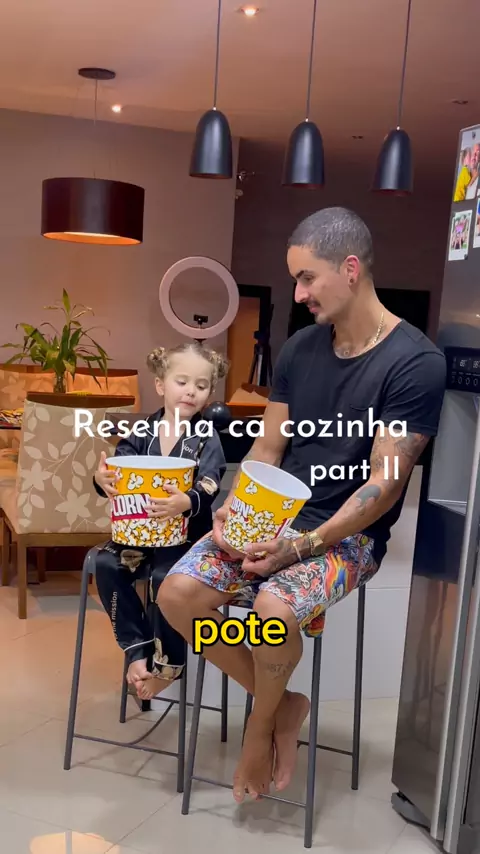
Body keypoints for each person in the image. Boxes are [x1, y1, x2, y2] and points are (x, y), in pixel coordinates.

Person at [158, 206, 447, 803]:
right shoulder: (299, 349)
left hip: (348, 537)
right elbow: (268, 446)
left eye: (307, 277)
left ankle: (259, 729)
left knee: (271, 611)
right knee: (178, 595)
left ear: (350, 269)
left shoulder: (415, 363)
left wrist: (300, 546)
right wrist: (235, 506)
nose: (298, 293)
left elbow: (385, 483)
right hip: (274, 517)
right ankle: (283, 703)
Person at [93, 342, 228, 700]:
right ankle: (136, 648)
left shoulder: (206, 437)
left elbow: (211, 481)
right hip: (136, 536)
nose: (190, 391)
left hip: (185, 540)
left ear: (209, 393)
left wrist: (187, 500)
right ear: (160, 385)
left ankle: (168, 665)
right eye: (181, 382)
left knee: (164, 580)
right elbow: (117, 468)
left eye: (201, 385)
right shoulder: (141, 431)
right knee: (105, 563)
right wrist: (102, 479)